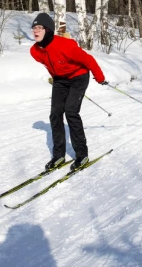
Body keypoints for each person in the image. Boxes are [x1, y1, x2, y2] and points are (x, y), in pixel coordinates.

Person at [29, 13, 107, 171]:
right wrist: (57, 78)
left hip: (78, 77)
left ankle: (81, 155)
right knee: (55, 113)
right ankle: (58, 155)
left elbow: (88, 60)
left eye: (39, 28)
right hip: (60, 80)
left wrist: (99, 77)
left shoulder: (65, 46)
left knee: (70, 111)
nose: (35, 31)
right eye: (34, 28)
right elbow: (51, 65)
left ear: (48, 30)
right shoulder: (35, 51)